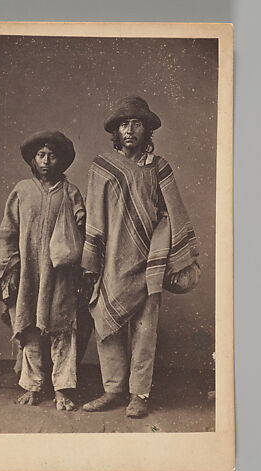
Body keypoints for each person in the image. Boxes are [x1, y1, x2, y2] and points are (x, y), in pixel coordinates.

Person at [81, 96, 201, 418]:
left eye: (137, 124)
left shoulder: (160, 168)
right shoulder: (102, 167)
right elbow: (94, 217)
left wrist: (165, 247)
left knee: (145, 331)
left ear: (148, 130)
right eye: (124, 124)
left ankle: (139, 394)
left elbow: (174, 214)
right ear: (116, 132)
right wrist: (92, 265)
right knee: (108, 324)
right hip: (111, 260)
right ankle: (112, 390)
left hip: (150, 261)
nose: (130, 130)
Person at [0, 130, 86, 410]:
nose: (46, 160)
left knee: (62, 330)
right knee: (28, 328)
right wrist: (9, 270)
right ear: (33, 159)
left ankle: (63, 389)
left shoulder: (71, 192)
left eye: (52, 155)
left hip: (61, 274)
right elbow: (8, 233)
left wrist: (80, 269)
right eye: (41, 155)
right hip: (27, 272)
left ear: (61, 160)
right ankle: (32, 385)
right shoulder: (22, 191)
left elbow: (82, 233)